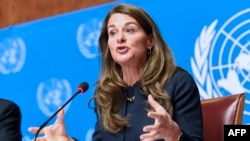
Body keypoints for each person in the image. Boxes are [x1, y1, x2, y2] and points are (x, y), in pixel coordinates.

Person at [28, 3, 203, 141]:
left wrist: (175, 136)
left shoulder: (177, 82)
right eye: (112, 32)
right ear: (108, 45)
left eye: (130, 30)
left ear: (150, 41)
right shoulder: (106, 93)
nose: (120, 37)